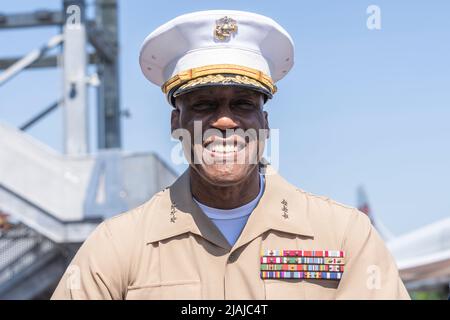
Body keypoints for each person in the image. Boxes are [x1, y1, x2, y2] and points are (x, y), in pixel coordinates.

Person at [51, 10, 410, 300]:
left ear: (264, 123)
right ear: (177, 121)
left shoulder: (344, 236)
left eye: (242, 103)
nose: (224, 120)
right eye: (204, 104)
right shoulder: (117, 247)